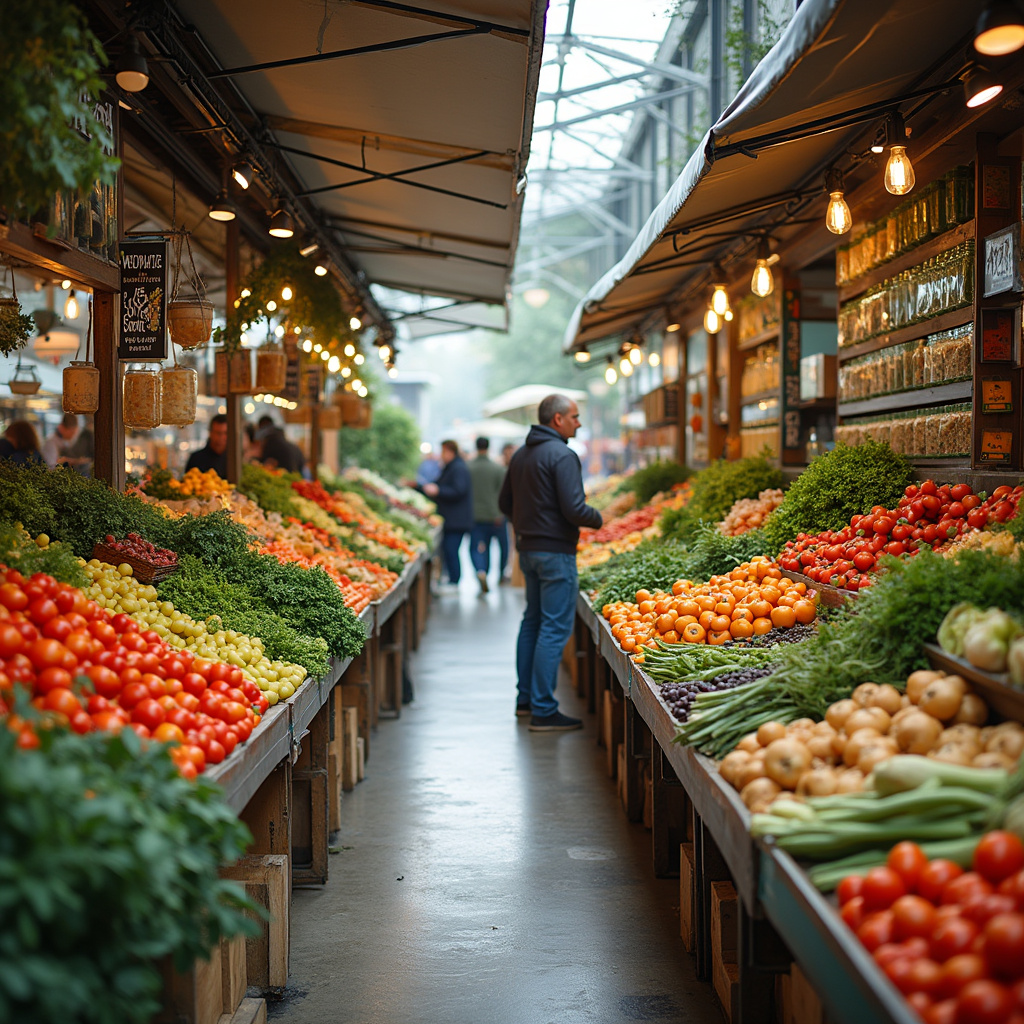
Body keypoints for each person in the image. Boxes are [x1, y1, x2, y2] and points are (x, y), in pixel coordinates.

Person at [499, 395, 602, 732]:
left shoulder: (520, 455)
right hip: (556, 553)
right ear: (558, 419)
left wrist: (529, 523)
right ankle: (543, 710)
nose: (579, 422)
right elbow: (574, 508)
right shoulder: (562, 455)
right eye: (575, 416)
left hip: (528, 552)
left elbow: (504, 503)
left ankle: (526, 700)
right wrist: (598, 517)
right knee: (554, 628)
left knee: (532, 621)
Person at [422, 439, 472, 593]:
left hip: (456, 519)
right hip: (452, 518)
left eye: (443, 451)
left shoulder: (458, 468)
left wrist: (438, 491)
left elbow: (459, 490)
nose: (441, 455)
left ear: (451, 451)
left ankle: (454, 581)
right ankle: (451, 579)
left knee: (451, 550)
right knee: (449, 550)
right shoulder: (451, 467)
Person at [466, 437, 506, 594]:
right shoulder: (497, 468)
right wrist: (500, 512)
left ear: (476, 447)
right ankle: (494, 574)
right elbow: (503, 493)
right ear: (489, 447)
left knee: (475, 546)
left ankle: (480, 569)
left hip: (473, 514)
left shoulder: (468, 467)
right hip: (494, 514)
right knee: (492, 546)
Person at [186, 413, 228, 478]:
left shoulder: (234, 459)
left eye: (225, 433)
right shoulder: (196, 459)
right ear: (210, 433)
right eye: (218, 433)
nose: (221, 437)